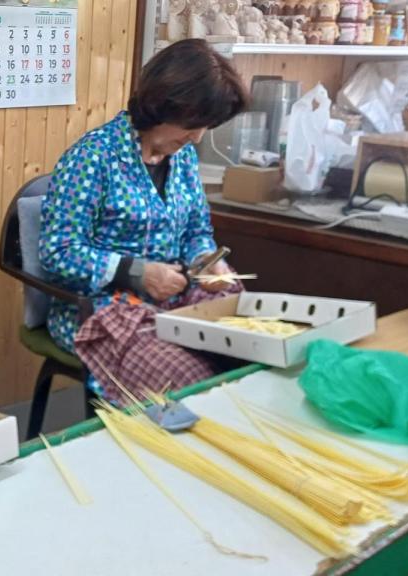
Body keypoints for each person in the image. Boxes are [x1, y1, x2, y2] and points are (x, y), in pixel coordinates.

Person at [39, 39, 248, 404]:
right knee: (191, 380)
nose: (197, 137)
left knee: (249, 342)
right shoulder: (93, 157)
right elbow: (59, 253)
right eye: (193, 123)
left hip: (175, 299)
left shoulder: (182, 158)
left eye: (206, 126)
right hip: (104, 311)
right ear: (163, 104)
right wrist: (138, 272)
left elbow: (197, 232)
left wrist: (209, 263)